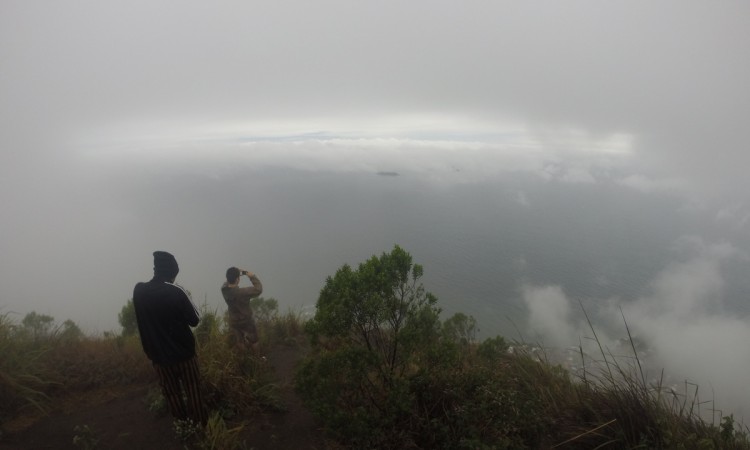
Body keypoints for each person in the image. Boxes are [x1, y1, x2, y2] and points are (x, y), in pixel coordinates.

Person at [133, 251, 207, 426]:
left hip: (158, 357)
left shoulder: (139, 291)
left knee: (171, 392)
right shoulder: (176, 291)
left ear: (156, 269)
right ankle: (200, 425)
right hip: (184, 355)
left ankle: (182, 425)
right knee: (193, 389)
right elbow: (195, 319)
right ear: (173, 271)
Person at [221, 267, 263, 356]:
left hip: (234, 321)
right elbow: (258, 289)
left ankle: (244, 359)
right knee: (254, 340)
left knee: (239, 341)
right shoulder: (243, 292)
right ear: (237, 279)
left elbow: (226, 283)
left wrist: (232, 274)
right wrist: (251, 276)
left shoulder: (224, 290)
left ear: (227, 278)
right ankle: (257, 359)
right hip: (246, 321)